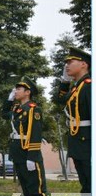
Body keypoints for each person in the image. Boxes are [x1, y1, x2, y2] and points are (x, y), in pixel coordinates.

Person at [1, 77, 48, 196]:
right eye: (15, 89)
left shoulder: (34, 110)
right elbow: (4, 114)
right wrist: (9, 100)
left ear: (28, 92)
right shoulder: (17, 109)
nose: (15, 91)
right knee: (26, 189)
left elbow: (35, 135)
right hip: (18, 154)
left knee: (36, 190)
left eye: (19, 89)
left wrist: (32, 157)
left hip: (28, 154)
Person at [54, 47, 91, 193]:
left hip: (87, 142)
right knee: (86, 184)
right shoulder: (77, 87)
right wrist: (64, 82)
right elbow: (60, 99)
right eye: (66, 62)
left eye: (71, 61)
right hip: (78, 141)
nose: (67, 65)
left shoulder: (89, 86)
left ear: (84, 64)